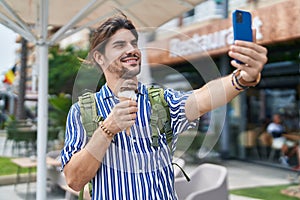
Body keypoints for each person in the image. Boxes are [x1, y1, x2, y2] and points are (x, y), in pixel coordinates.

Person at [61, 14, 268, 199]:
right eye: (120, 45)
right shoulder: (82, 111)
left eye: (133, 43)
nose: (132, 50)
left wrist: (241, 78)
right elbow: (74, 180)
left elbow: (202, 97)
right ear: (99, 57)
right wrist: (107, 130)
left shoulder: (161, 100)